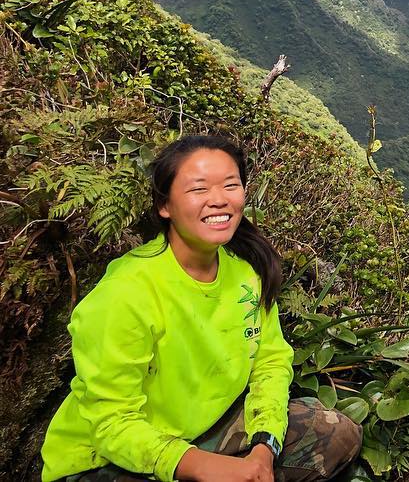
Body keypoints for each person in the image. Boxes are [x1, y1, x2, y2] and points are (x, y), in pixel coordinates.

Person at [40, 135, 361, 481]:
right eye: (199, 189)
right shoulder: (125, 294)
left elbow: (270, 363)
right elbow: (112, 423)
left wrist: (264, 447)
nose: (219, 199)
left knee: (336, 433)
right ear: (164, 205)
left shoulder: (245, 274)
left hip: (208, 428)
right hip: (109, 456)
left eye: (230, 185)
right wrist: (204, 467)